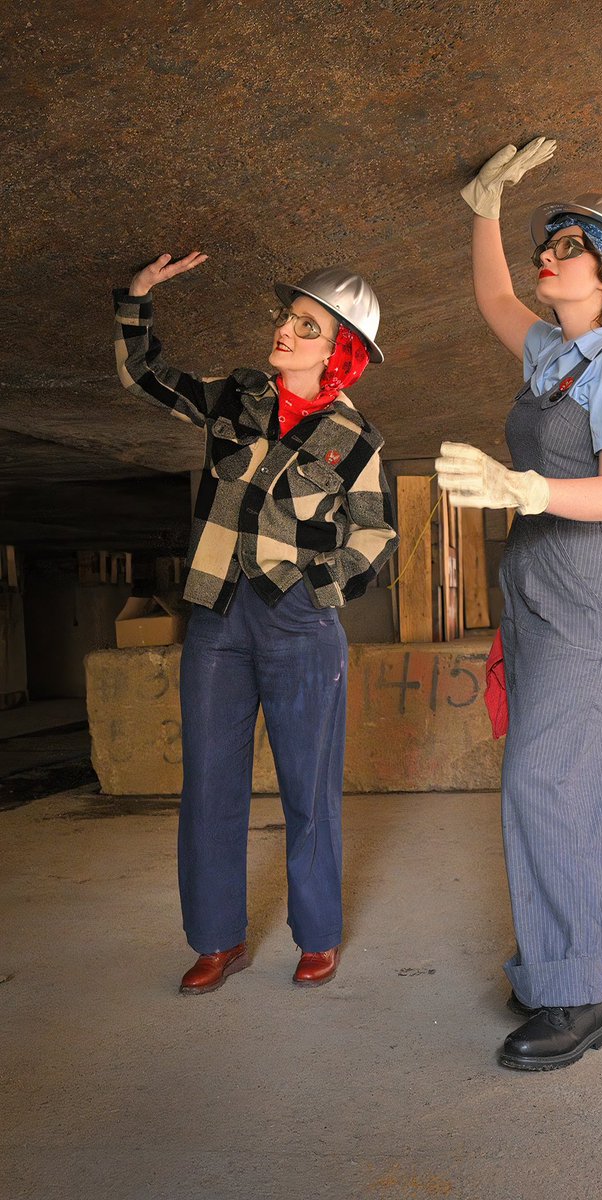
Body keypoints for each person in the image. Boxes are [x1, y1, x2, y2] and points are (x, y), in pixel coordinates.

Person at [438, 139, 602, 1071]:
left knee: (543, 783)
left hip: (585, 596)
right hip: (535, 593)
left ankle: (571, 999)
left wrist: (525, 489)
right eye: (550, 240)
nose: (551, 253)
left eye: (570, 244)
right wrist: (482, 210)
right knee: (583, 787)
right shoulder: (553, 353)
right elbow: (496, 299)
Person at [113, 253, 398, 994]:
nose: (284, 330)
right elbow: (149, 377)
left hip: (300, 626)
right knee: (208, 783)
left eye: (307, 326)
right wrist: (136, 299)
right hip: (216, 616)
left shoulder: (357, 440)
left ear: (339, 353)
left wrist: (319, 586)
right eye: (287, 316)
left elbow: (376, 538)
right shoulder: (236, 396)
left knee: (309, 788)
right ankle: (217, 940)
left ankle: (318, 935)